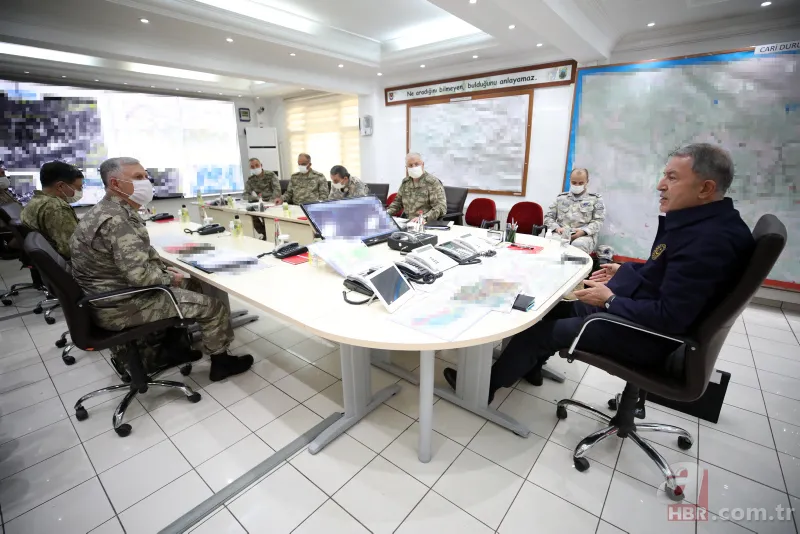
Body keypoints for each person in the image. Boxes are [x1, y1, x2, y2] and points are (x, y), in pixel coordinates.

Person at [443, 143, 755, 402]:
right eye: (664, 176)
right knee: (552, 308)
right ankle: (529, 367)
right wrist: (624, 270)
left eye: (672, 178)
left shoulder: (708, 241)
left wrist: (609, 301)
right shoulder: (706, 224)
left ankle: (481, 391)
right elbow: (666, 272)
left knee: (540, 330)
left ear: (706, 188)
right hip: (640, 313)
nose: (661, 185)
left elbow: (670, 317)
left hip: (646, 335)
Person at [70, 157, 253, 381]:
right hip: (122, 304)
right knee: (213, 306)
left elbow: (136, 258)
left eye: (145, 176)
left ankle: (174, 347)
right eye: (138, 177)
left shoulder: (106, 210)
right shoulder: (117, 220)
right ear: (115, 184)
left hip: (107, 297)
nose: (146, 181)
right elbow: (140, 276)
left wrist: (166, 271)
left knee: (196, 284)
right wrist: (170, 278)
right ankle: (221, 362)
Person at [21, 161, 83, 259]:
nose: (79, 191)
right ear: (60, 186)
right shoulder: (57, 208)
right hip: (75, 266)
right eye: (79, 187)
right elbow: (72, 249)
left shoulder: (37, 200)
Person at [544, 168, 605, 254]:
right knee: (553, 243)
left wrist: (583, 232)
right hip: (562, 232)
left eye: (581, 183)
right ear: (570, 181)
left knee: (577, 245)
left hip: (584, 235)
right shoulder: (561, 198)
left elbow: (599, 221)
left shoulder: (595, 199)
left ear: (587, 181)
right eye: (574, 182)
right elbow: (548, 217)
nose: (577, 185)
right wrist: (557, 228)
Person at [386, 152, 447, 222]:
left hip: (426, 223)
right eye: (410, 165)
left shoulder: (432, 182)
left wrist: (423, 218)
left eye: (416, 164)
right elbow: (397, 203)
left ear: (422, 165)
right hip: (408, 222)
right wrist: (386, 213)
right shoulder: (406, 182)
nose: (414, 167)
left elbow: (441, 207)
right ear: (406, 168)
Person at [244, 157, 281, 239]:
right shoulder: (251, 179)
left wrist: (270, 202)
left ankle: (271, 235)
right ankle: (265, 234)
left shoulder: (271, 175)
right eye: (252, 167)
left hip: (272, 203)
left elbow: (277, 190)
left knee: (267, 217)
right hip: (259, 203)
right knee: (250, 215)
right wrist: (256, 198)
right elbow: (245, 194)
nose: (255, 168)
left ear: (261, 165)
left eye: (257, 165)